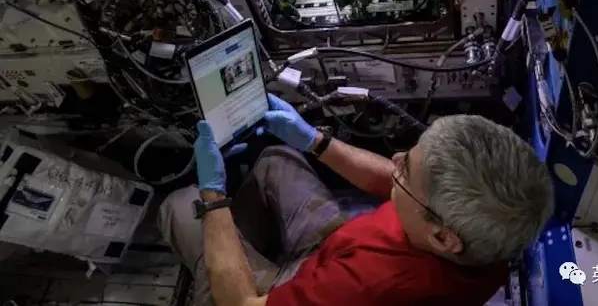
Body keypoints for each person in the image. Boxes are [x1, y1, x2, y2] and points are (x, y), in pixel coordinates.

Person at [159, 94, 553, 306]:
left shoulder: (371, 289)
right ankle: (242, 255)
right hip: (337, 250)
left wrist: (214, 195)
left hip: (305, 288)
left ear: (443, 237)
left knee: (181, 205)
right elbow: (397, 184)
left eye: (405, 170)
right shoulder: (489, 231)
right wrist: (315, 140)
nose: (394, 162)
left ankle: (242, 271)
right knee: (276, 159)